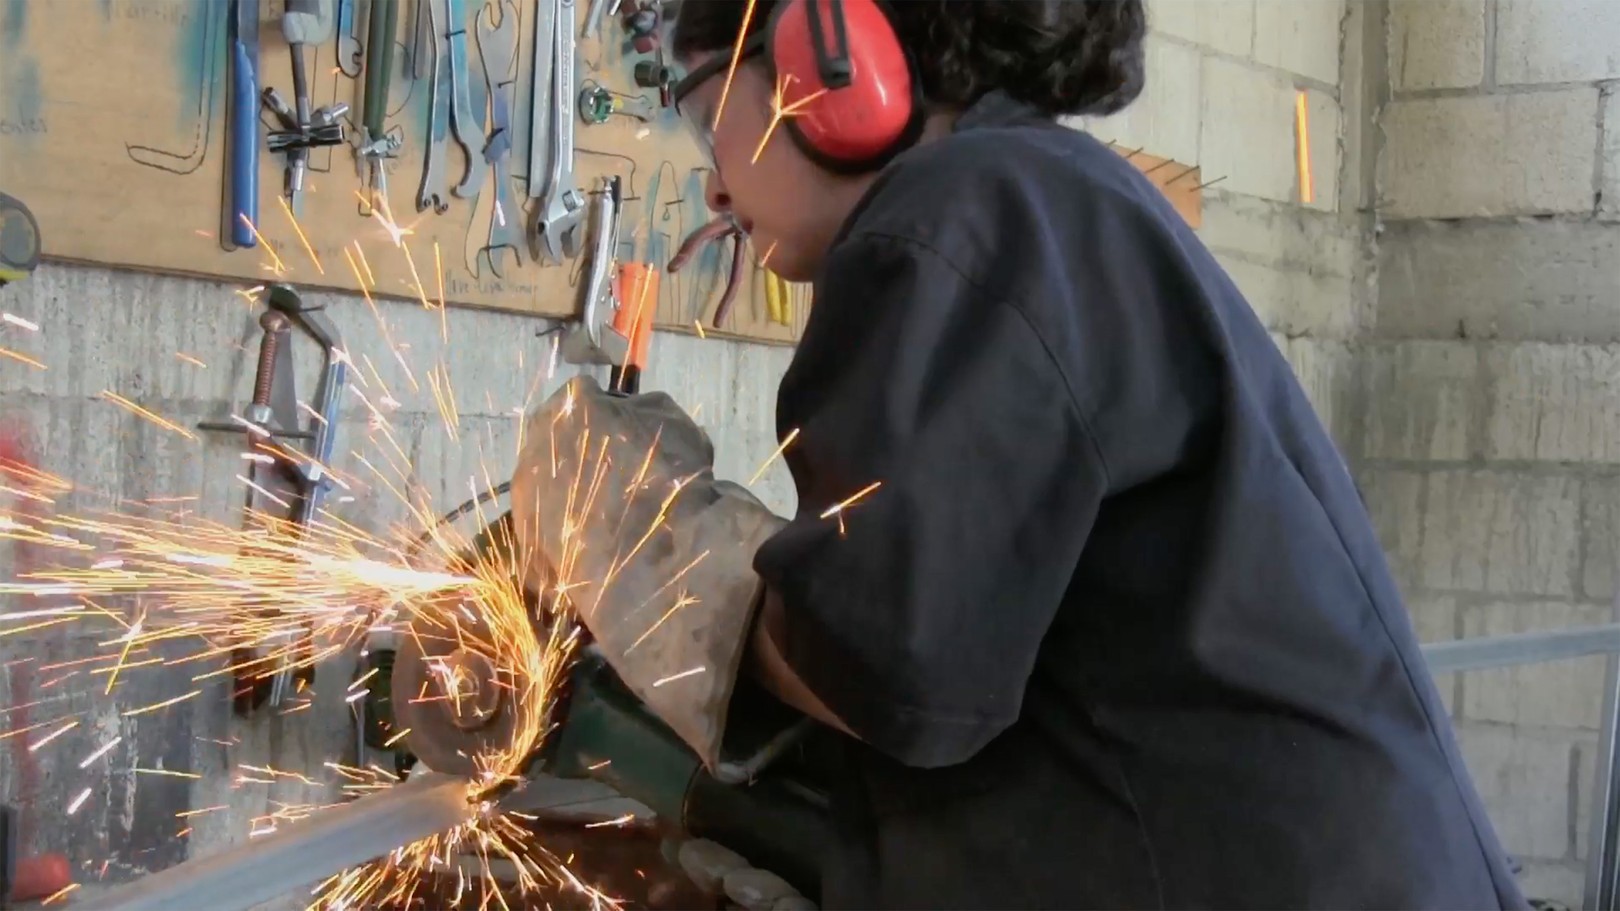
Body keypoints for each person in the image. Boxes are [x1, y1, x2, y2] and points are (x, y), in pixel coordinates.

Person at [531, 1, 1526, 907]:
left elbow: (885, 666)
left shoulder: (968, 216)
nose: (712, 178)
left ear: (830, 58)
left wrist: (641, 536)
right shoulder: (1038, 201)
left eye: (710, 117)